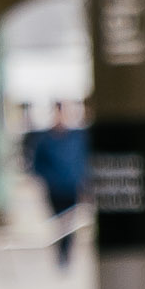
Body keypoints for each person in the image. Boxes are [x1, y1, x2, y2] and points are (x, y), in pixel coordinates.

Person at [23, 98, 90, 266]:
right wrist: (48, 179)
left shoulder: (77, 137)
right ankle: (61, 252)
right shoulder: (46, 140)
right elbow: (37, 165)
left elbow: (83, 161)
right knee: (59, 222)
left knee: (69, 223)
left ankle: (65, 254)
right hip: (54, 189)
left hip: (72, 187)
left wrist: (84, 181)